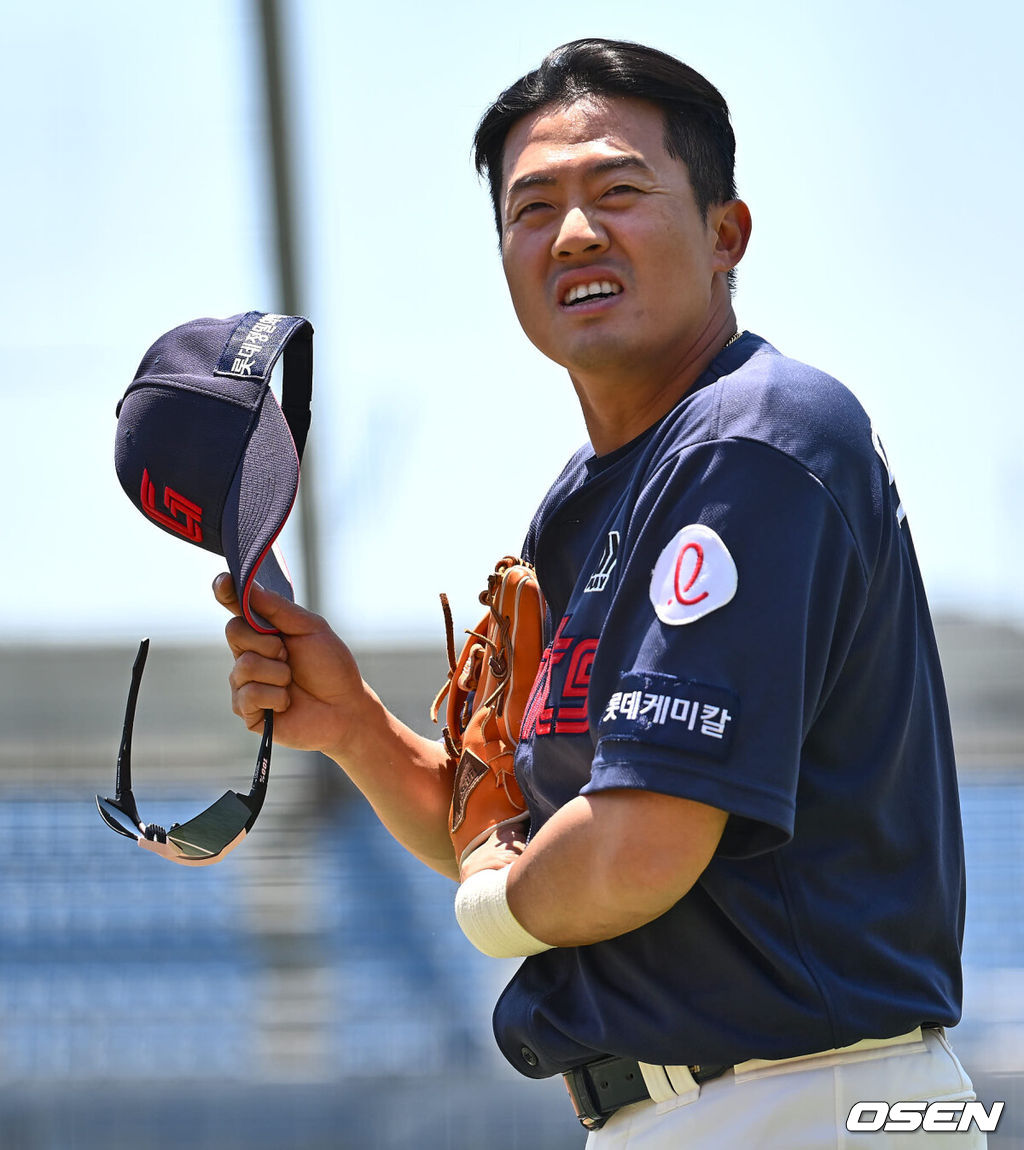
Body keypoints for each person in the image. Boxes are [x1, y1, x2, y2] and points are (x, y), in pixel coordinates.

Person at [215, 38, 982, 1147]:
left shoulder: (756, 439)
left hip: (811, 1103)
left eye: (617, 190)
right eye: (532, 208)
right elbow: (521, 835)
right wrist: (355, 727)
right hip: (692, 1112)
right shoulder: (585, 502)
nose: (573, 230)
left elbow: (627, 855)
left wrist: (485, 905)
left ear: (727, 234)